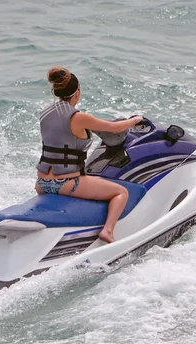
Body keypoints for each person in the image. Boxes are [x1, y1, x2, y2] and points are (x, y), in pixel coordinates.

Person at [36, 66, 143, 244]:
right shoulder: (78, 117)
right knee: (121, 193)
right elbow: (115, 128)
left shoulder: (45, 113)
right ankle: (107, 231)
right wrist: (134, 120)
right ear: (77, 93)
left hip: (41, 183)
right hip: (68, 183)